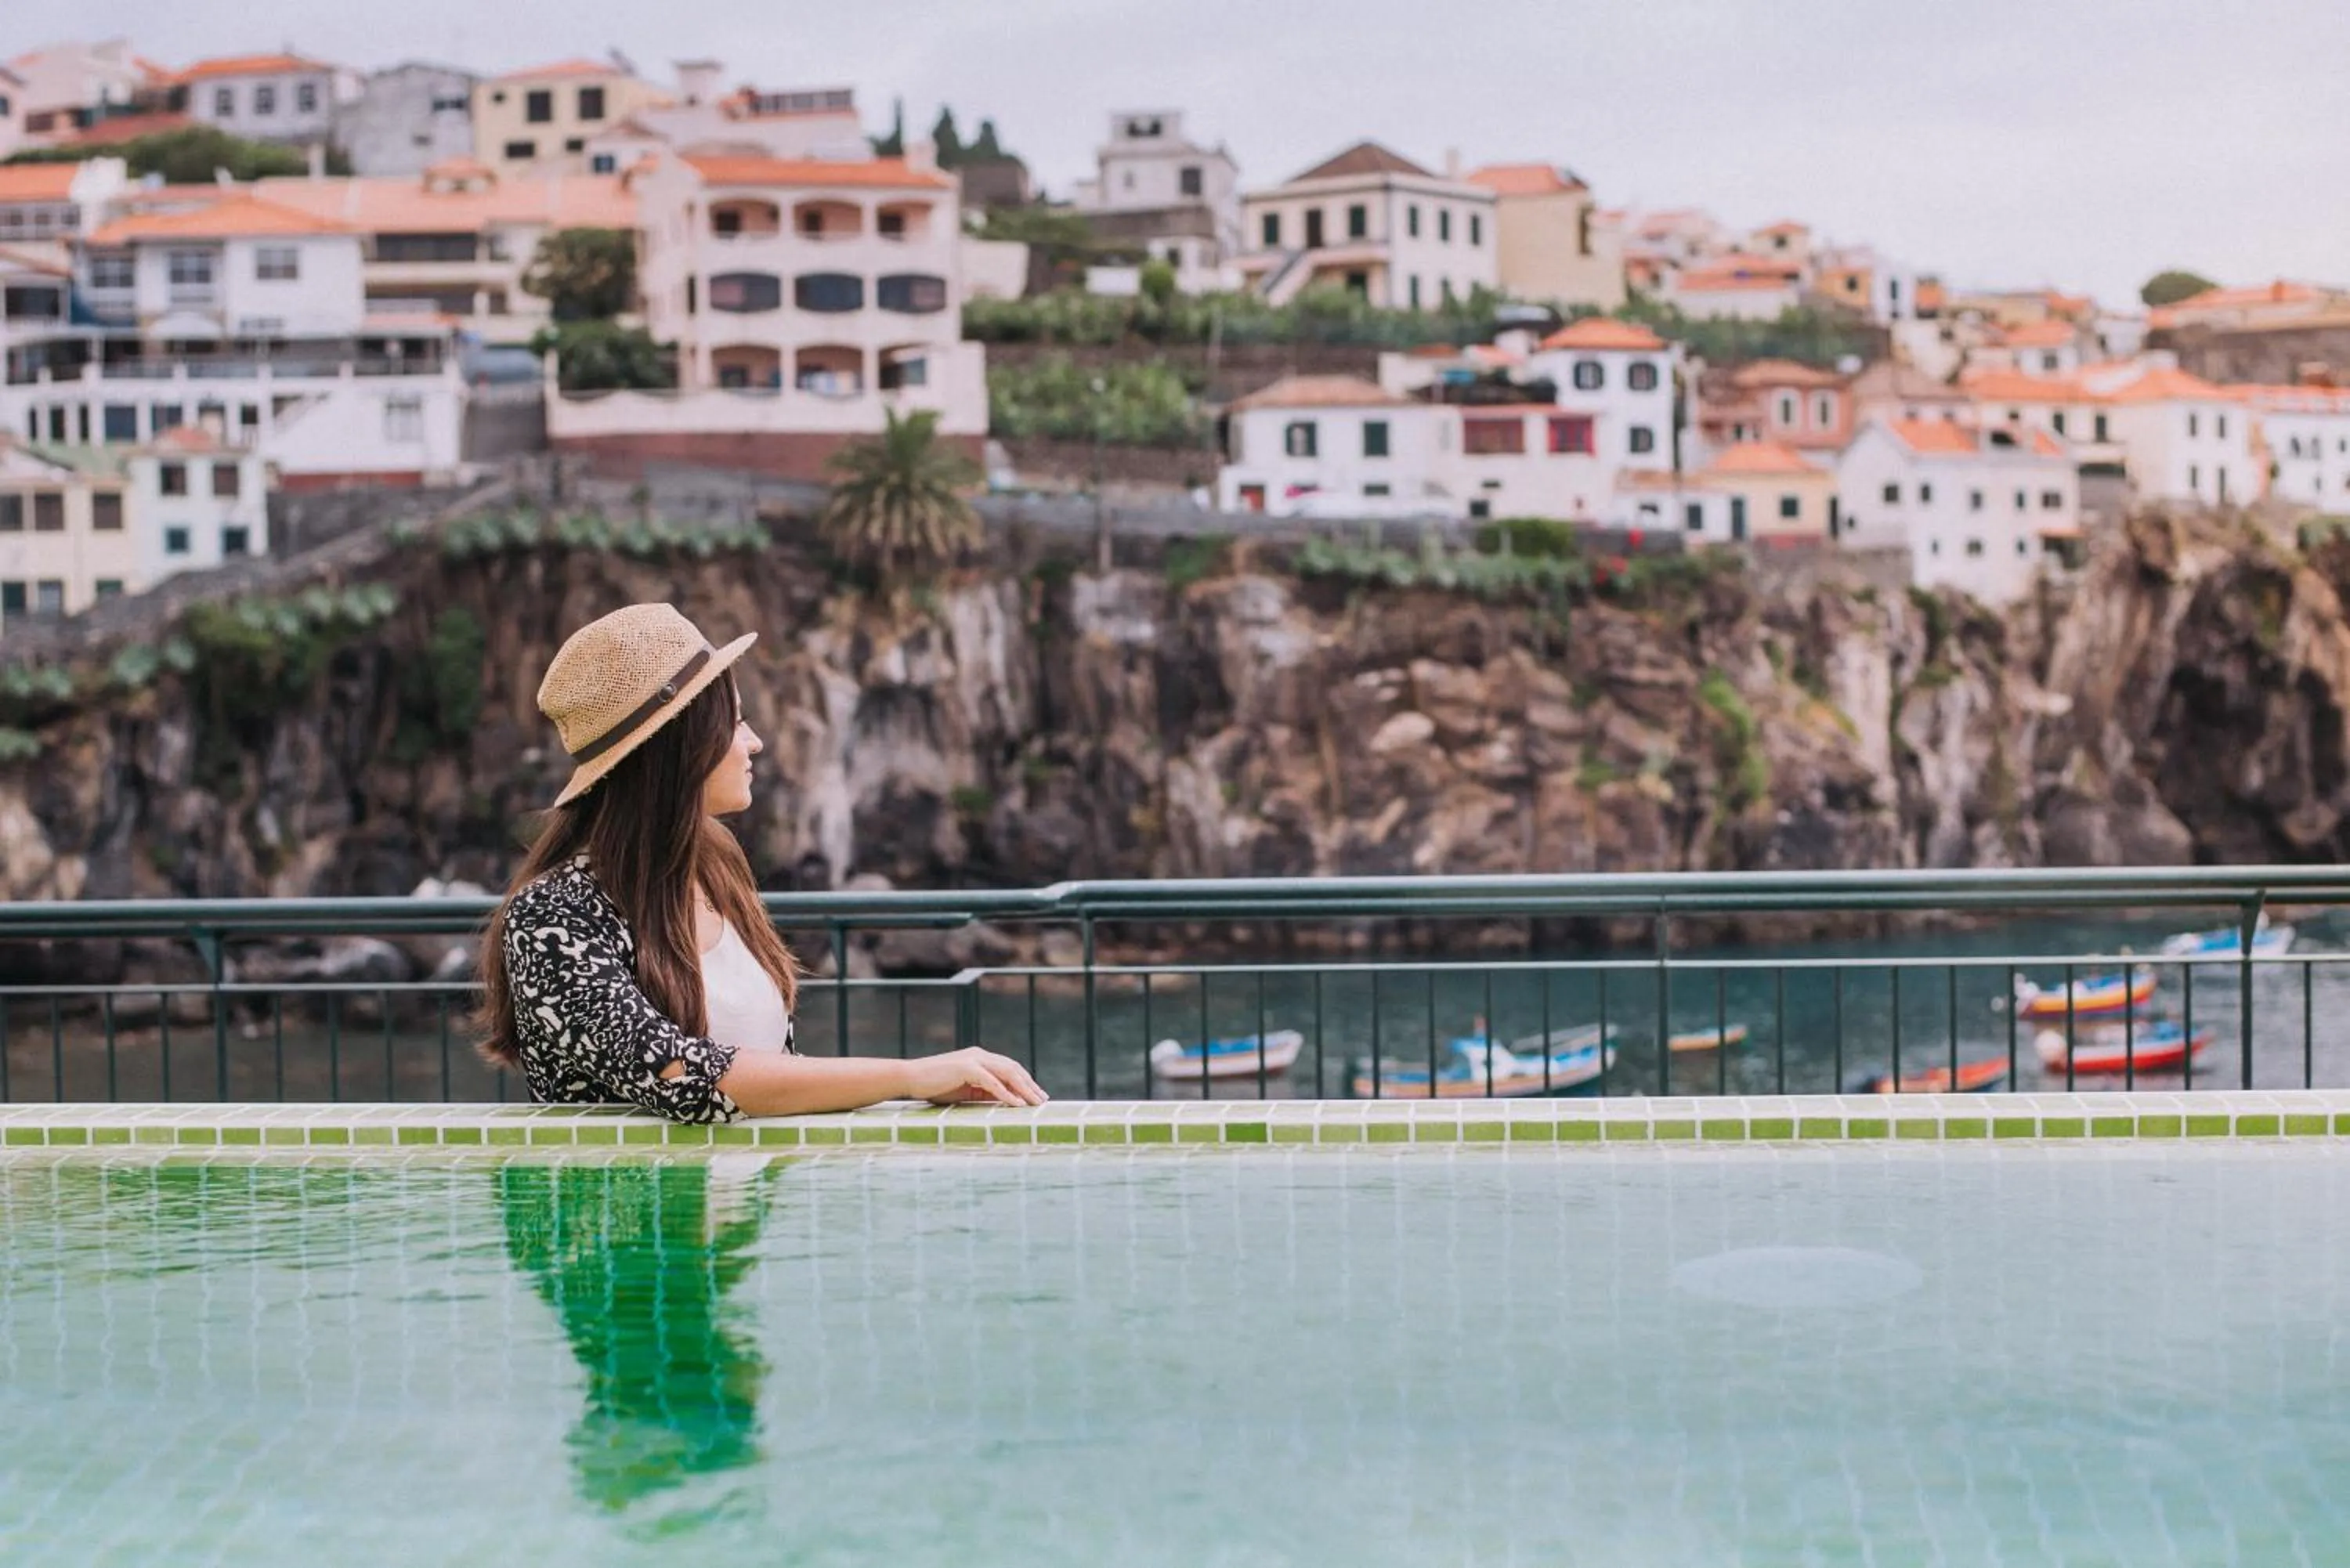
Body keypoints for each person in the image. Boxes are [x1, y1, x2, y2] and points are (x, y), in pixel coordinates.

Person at [479, 602, 1047, 1121]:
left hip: (736, 1222)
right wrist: (910, 1076)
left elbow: (772, 1063)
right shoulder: (552, 917)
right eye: (735, 722)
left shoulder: (715, 864)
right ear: (677, 748)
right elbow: (681, 1076)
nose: (754, 743)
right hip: (618, 1225)